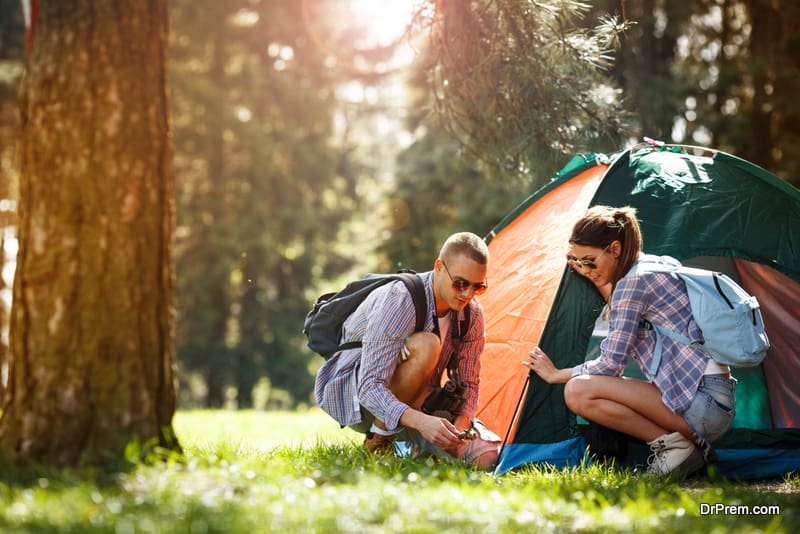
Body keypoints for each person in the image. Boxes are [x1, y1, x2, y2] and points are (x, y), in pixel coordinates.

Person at [523, 206, 736, 476]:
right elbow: (622, 305)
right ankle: (687, 446)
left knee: (577, 391)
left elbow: (612, 365)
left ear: (614, 249)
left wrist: (556, 374)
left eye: (589, 260)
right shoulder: (649, 267)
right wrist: (593, 271)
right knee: (582, 388)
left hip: (703, 404)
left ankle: (676, 448)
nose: (585, 268)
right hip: (712, 400)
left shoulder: (632, 284)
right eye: (580, 261)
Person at [315, 232, 500, 469]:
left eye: (478, 287)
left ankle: (418, 449)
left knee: (486, 459)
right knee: (427, 345)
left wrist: (461, 427)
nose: (468, 294)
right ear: (439, 267)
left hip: (421, 400)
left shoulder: (472, 314)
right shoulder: (401, 299)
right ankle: (379, 441)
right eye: (461, 283)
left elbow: (470, 382)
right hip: (359, 398)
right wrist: (423, 422)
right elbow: (369, 387)